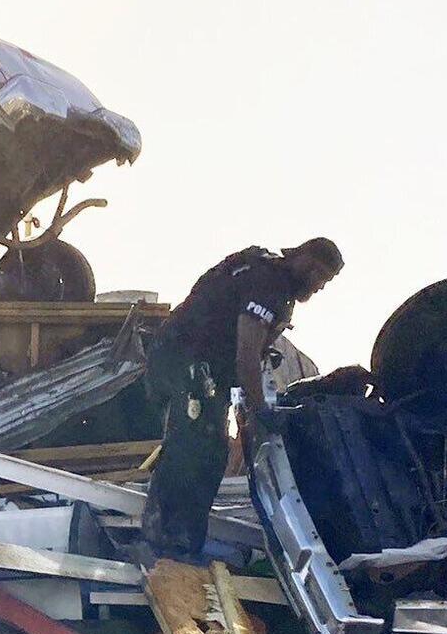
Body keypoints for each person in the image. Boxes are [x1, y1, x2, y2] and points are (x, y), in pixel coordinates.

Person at [140, 238, 344, 562]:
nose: (319, 286)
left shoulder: (269, 276)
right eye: (320, 275)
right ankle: (164, 542)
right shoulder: (269, 283)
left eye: (326, 282)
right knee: (197, 447)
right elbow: (246, 353)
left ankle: (177, 540)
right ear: (304, 259)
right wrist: (260, 408)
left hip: (195, 364)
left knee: (205, 448)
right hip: (187, 362)